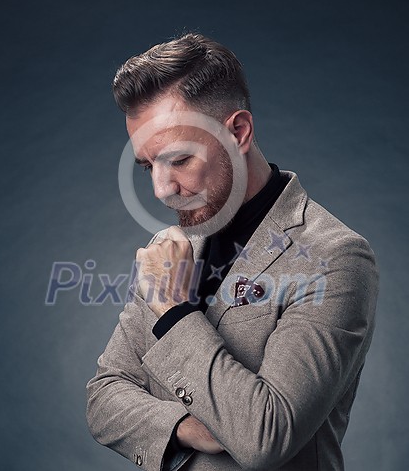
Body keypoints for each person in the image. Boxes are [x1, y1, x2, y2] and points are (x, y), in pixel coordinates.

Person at [86, 33, 378, 471]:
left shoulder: (336, 257)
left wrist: (171, 309)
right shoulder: (170, 250)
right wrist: (187, 425)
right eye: (148, 166)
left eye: (179, 160)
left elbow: (266, 436)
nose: (162, 191)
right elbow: (105, 396)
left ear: (238, 131)